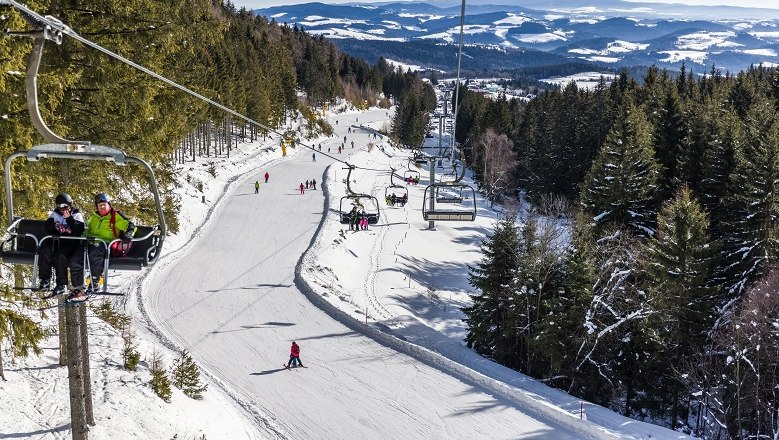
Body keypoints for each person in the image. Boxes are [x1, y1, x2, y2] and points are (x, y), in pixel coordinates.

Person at [70, 193, 135, 301]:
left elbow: (130, 225)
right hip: (90, 242)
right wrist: (82, 238)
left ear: (109, 204)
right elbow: (87, 230)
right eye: (99, 206)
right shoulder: (93, 217)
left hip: (105, 244)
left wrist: (129, 233)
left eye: (104, 205)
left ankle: (95, 282)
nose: (102, 207)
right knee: (76, 259)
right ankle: (78, 287)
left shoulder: (115, 216)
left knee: (95, 253)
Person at [38, 193, 86, 294]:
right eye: (59, 206)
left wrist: (69, 219)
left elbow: (78, 231)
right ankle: (45, 279)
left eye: (65, 206)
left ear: (70, 205)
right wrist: (54, 227)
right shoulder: (55, 215)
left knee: (60, 256)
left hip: (70, 242)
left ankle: (61, 284)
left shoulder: (76, 215)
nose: (62, 209)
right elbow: (47, 229)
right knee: (45, 250)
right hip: (57, 240)